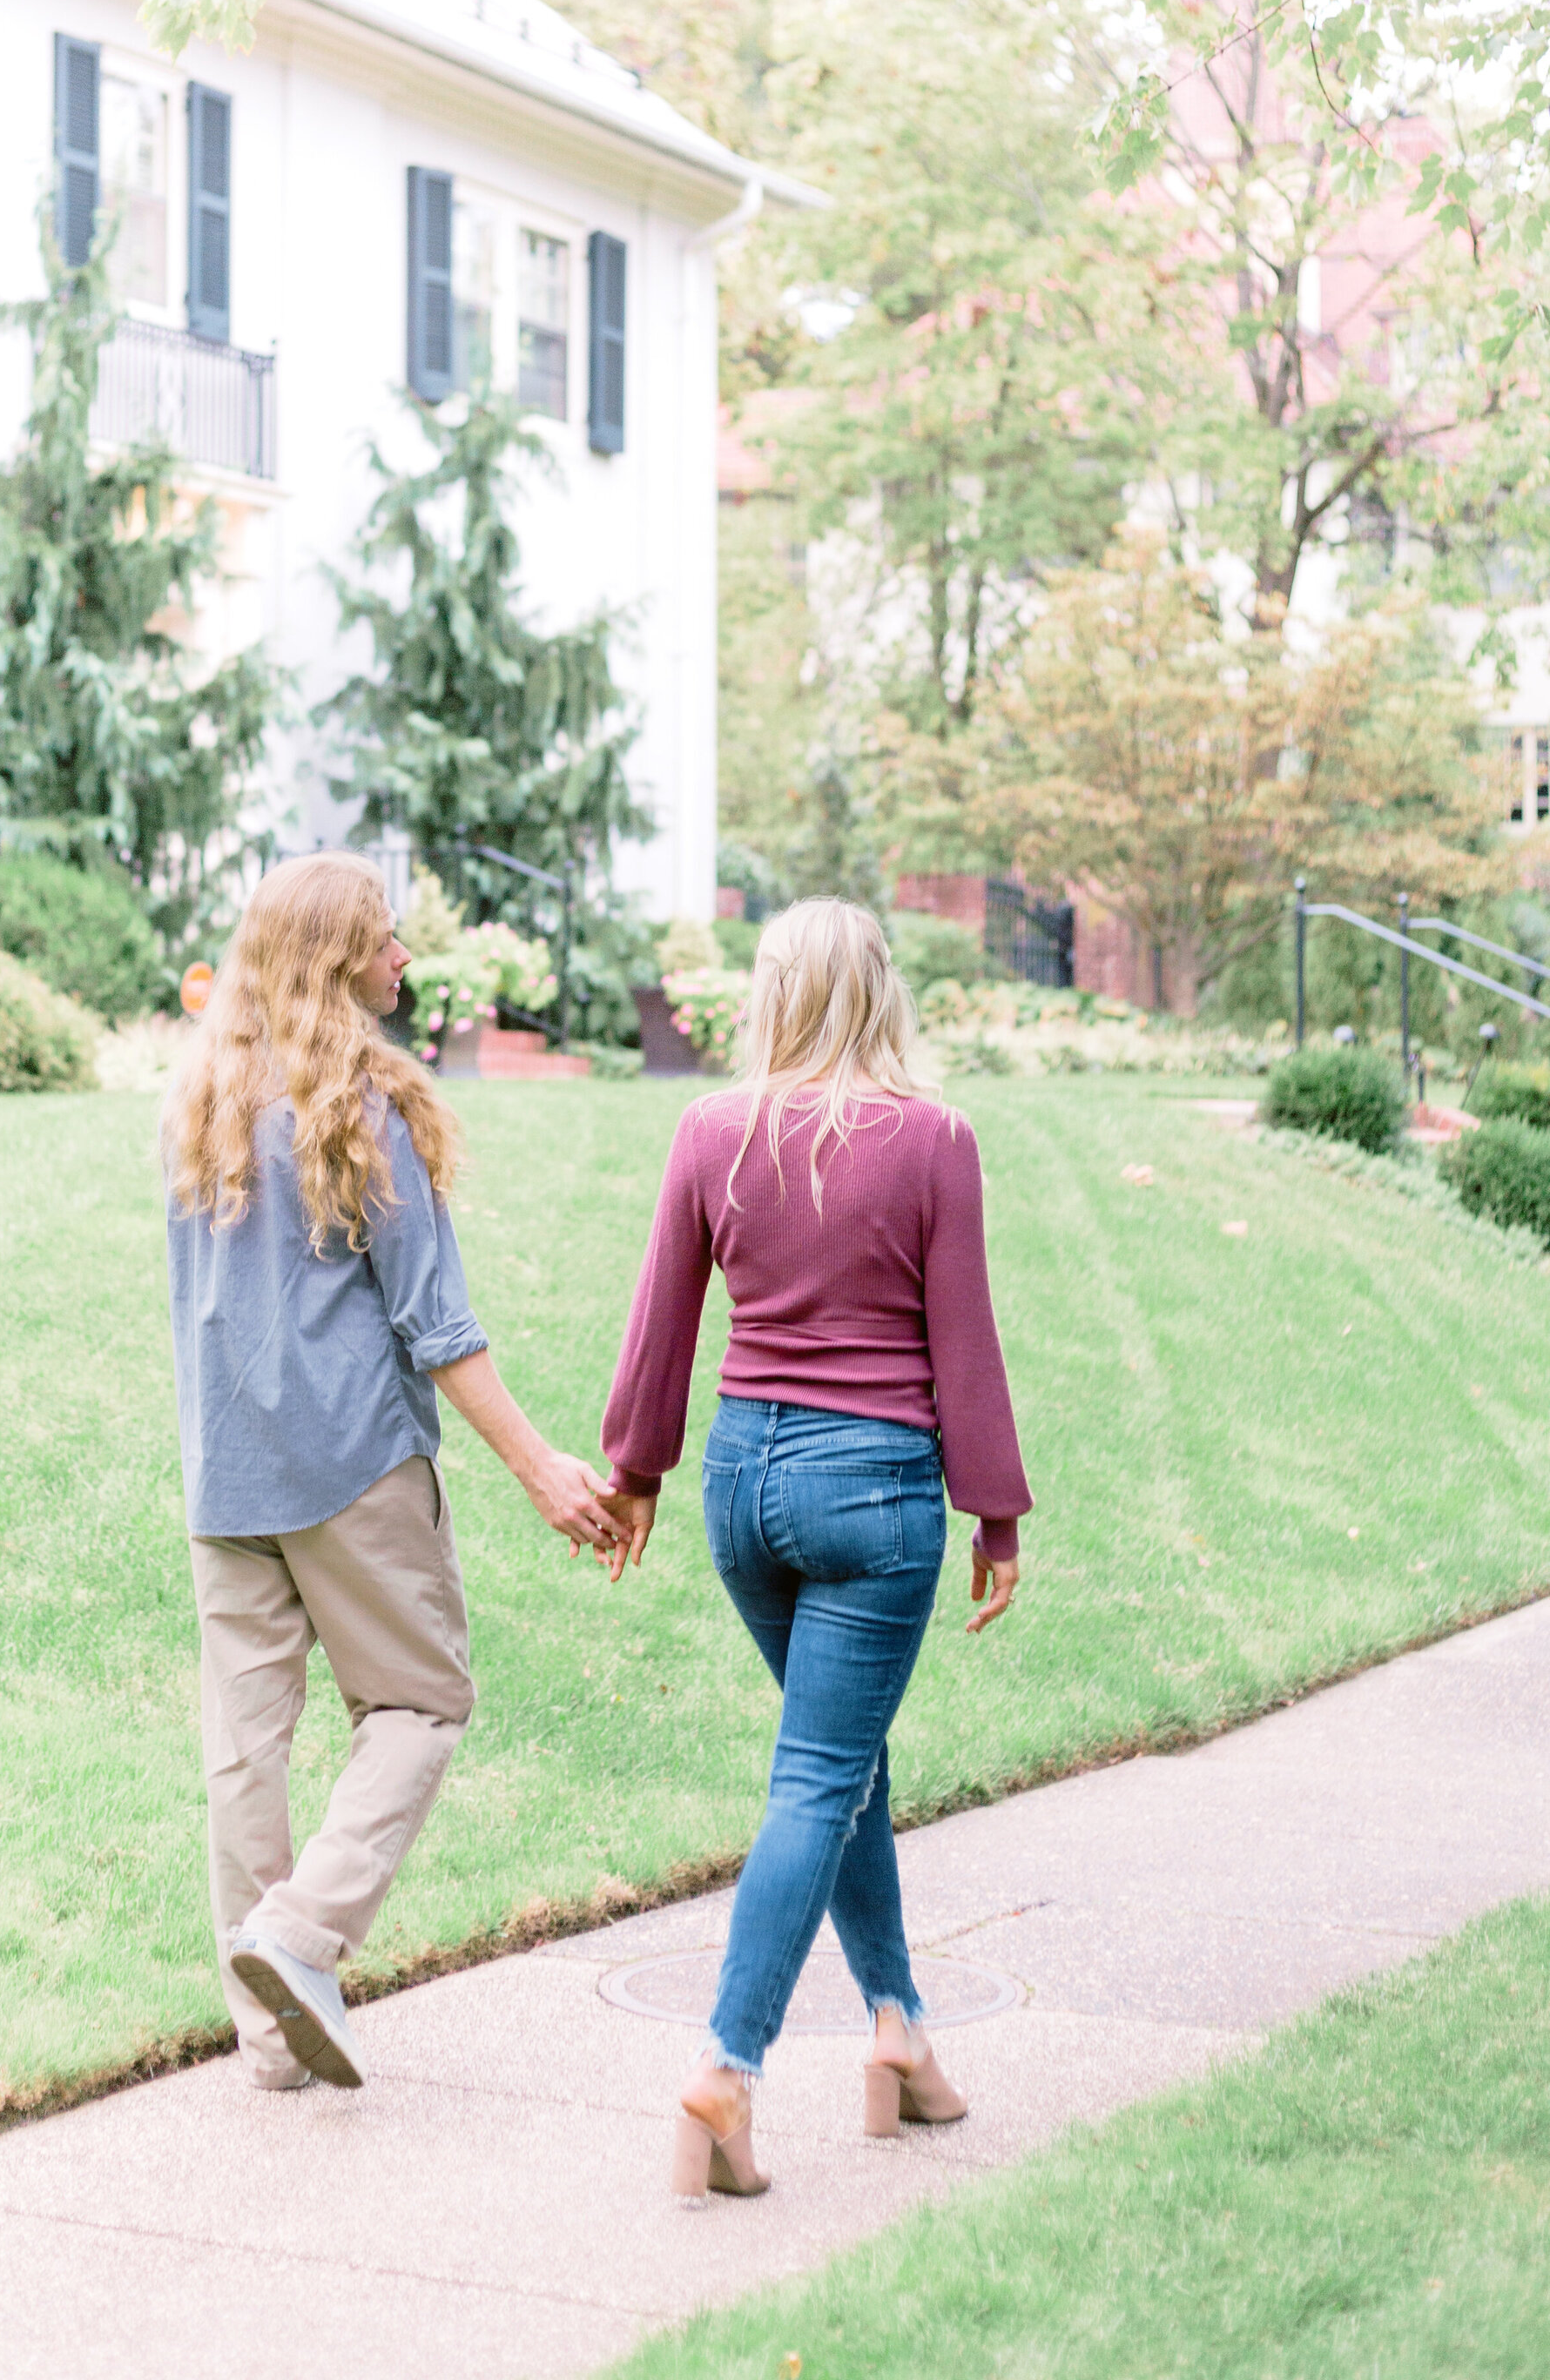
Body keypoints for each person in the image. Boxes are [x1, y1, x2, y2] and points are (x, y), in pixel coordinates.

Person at [164, 850, 623, 2091]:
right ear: (335, 957)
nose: (404, 957)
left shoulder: (202, 1096)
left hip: (227, 1476)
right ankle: (300, 1940)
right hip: (354, 1467)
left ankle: (270, 2043)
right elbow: (438, 1324)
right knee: (421, 1706)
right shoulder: (359, 1106)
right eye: (386, 937)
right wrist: (542, 1472)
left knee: (243, 1749)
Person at [597, 898, 1031, 2202]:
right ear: (880, 992)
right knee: (820, 1774)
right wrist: (995, 1509)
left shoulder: (711, 1132)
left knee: (845, 1761)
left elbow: (660, 1325)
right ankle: (728, 2072)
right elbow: (966, 1341)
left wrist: (636, 1474)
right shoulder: (935, 1141)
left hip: (744, 1485)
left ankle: (900, 2034)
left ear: (772, 994)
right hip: (873, 1494)